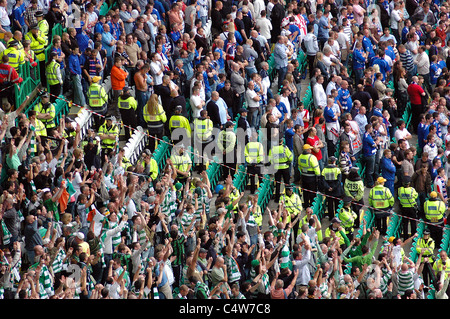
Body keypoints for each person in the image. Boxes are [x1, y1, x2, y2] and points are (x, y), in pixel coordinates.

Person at [269, 137, 293, 203]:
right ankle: (287, 197)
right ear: (282, 141)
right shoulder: (285, 148)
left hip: (277, 168)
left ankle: (277, 199)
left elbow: (270, 159)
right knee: (287, 183)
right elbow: (290, 157)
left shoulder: (273, 149)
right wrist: (288, 161)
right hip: (285, 167)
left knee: (277, 183)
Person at [298, 144, 321, 209]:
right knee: (312, 192)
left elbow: (299, 167)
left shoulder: (300, 157)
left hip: (304, 177)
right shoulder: (312, 157)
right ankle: (312, 206)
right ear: (307, 150)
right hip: (312, 178)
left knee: (305, 192)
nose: (311, 150)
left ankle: (306, 204)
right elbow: (316, 168)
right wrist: (318, 176)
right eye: (310, 149)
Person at [320, 156, 344, 220]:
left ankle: (331, 217)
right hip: (336, 190)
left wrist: (328, 187)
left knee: (330, 205)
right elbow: (339, 181)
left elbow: (323, 180)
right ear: (333, 162)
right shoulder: (337, 169)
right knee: (337, 204)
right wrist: (333, 188)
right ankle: (337, 217)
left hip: (328, 190)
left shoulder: (324, 170)